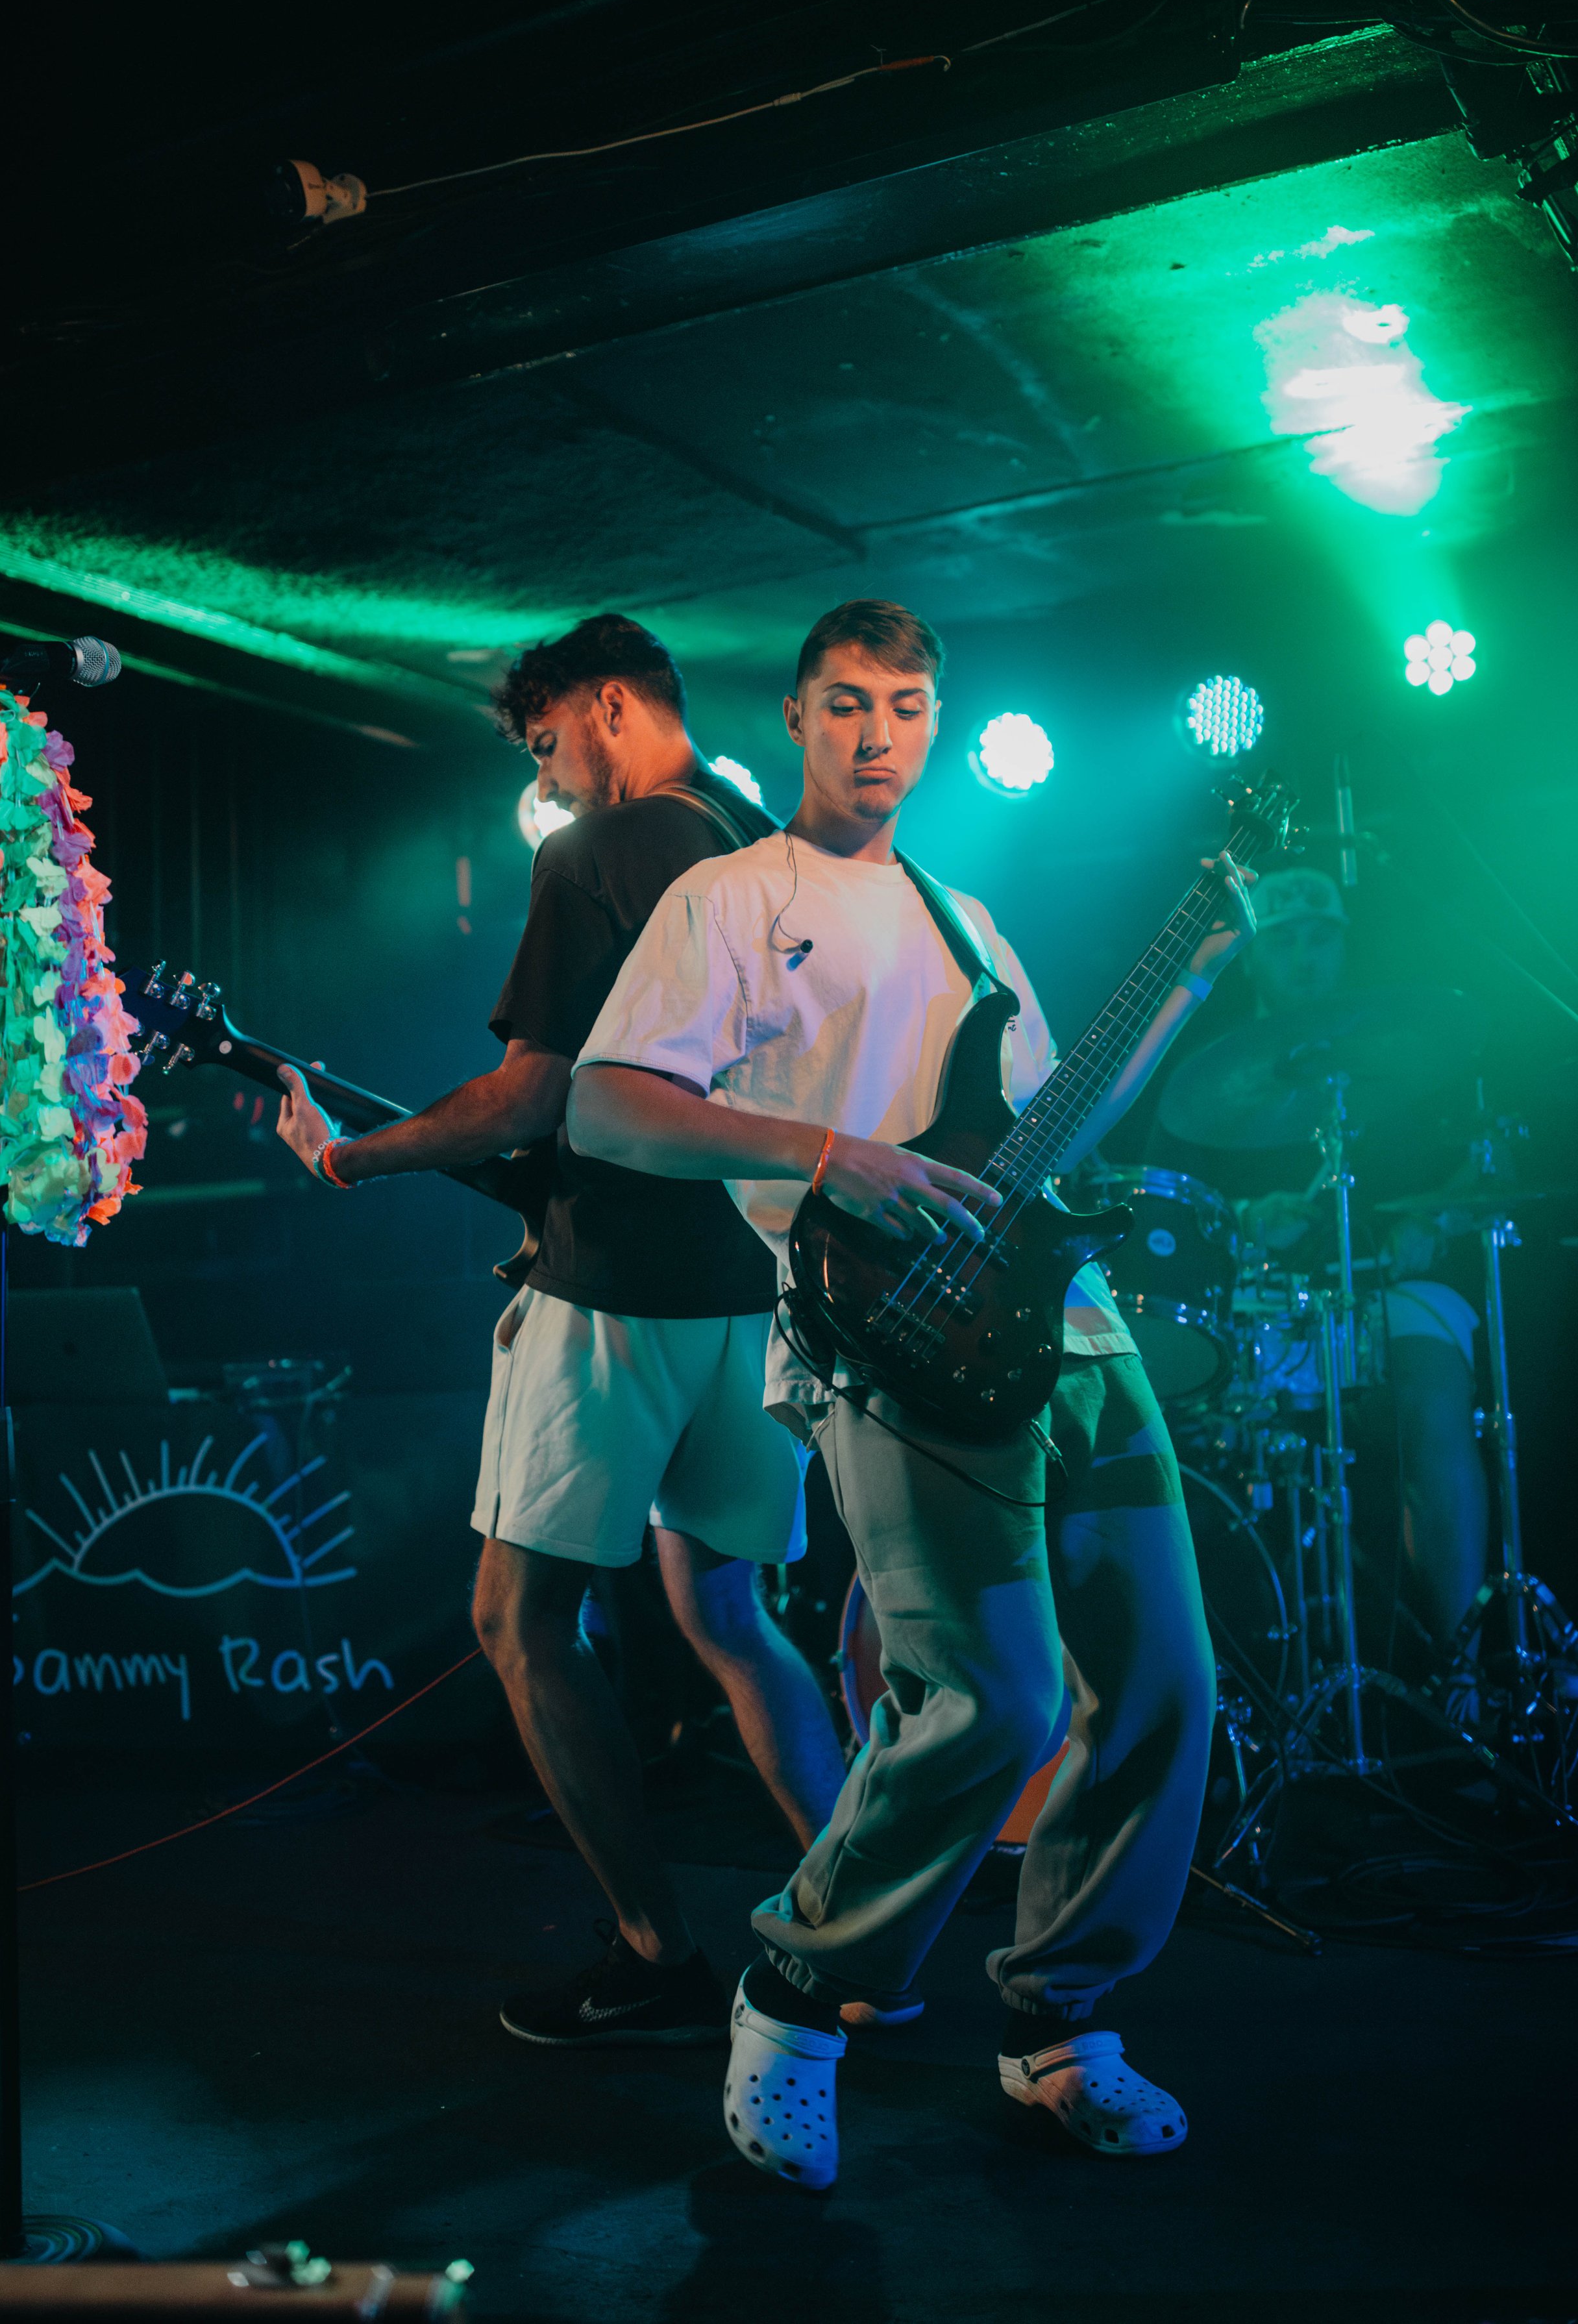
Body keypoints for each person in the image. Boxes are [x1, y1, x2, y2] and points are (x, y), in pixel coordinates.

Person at [566, 598, 1256, 2186]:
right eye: (851, 704)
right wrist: (831, 1154)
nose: (881, 734)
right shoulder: (731, 894)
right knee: (990, 1694)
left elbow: (1039, 1135)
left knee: (1163, 1681)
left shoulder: (965, 915)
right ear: (799, 718)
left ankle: (1061, 2018)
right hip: (884, 1335)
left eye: (909, 707)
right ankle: (798, 1990)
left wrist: (1194, 975)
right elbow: (609, 1106)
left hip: (1067, 1326)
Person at [275, 612, 846, 2049]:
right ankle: (859, 1931)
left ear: (604, 707)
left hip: (616, 1300)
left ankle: (656, 1952)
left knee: (515, 1619)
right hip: (760, 1299)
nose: (555, 779)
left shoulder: (591, 854)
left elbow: (531, 1097)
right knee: (729, 1613)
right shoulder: (772, 849)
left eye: (548, 745)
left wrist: (351, 1155)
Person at [1152, 865, 1488, 1650]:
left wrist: (1430, 1218)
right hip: (1257, 1308)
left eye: (1321, 940)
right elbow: (1154, 1209)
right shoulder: (1203, 1075)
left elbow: (1491, 1156)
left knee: (1429, 1401)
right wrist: (1239, 1220)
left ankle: (1459, 1670)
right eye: (1287, 941)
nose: (1306, 957)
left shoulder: (1415, 1055)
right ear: (1254, 957)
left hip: (1391, 1291)